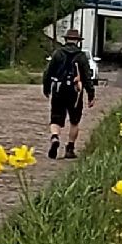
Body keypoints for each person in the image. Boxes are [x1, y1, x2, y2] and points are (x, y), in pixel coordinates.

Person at [43, 29, 95, 159]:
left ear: (65, 40)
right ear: (77, 41)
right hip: (75, 92)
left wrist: (47, 88)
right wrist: (91, 94)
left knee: (56, 118)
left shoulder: (57, 53)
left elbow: (48, 72)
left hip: (59, 90)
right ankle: (70, 148)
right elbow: (87, 77)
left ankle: (55, 137)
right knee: (74, 121)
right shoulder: (81, 56)